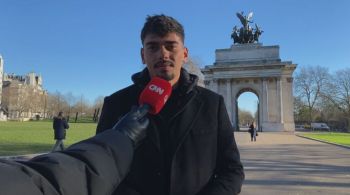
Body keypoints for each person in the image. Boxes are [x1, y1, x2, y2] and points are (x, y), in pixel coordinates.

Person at [96, 14, 244, 195]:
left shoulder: (212, 104)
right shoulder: (116, 104)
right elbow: (103, 171)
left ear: (185, 54)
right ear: (143, 55)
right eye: (153, 46)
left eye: (170, 45)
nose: (163, 54)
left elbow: (232, 170)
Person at [0, 106, 149, 195]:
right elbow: (48, 183)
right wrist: (122, 138)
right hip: (71, 144)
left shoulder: (55, 119)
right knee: (59, 145)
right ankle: (57, 153)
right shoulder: (62, 119)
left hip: (58, 135)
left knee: (60, 145)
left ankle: (58, 152)